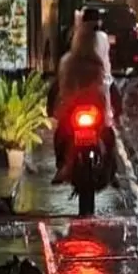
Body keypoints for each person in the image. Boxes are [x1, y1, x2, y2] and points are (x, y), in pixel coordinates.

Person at [51, 20, 116, 184]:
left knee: (61, 135)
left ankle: (62, 167)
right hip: (85, 111)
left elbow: (57, 87)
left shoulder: (68, 61)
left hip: (79, 111)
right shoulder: (95, 63)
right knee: (108, 136)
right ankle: (110, 171)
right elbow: (108, 88)